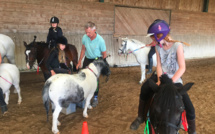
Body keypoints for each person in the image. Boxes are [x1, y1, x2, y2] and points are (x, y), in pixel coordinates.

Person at [130, 20, 196, 134]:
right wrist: (160, 81)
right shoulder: (158, 47)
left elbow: (182, 68)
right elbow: (159, 65)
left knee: (189, 106)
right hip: (161, 76)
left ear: (159, 35)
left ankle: (192, 130)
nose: (152, 40)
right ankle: (140, 116)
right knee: (145, 88)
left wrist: (170, 82)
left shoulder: (177, 46)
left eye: (153, 37)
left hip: (174, 78)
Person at [76, 21, 107, 107]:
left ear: (94, 30)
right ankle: (84, 96)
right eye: (86, 32)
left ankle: (95, 97)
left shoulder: (100, 40)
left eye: (89, 32)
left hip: (96, 61)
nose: (87, 34)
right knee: (84, 77)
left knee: (95, 80)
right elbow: (83, 49)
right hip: (87, 59)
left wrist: (103, 64)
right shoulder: (85, 37)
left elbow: (104, 54)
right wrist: (79, 61)